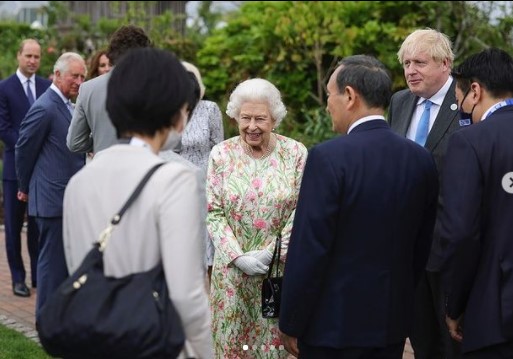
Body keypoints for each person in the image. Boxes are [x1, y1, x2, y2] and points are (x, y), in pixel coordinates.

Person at [278, 55, 438, 359]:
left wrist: (292, 320)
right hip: (390, 323)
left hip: (332, 327)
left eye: (329, 95)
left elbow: (310, 248)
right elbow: (421, 246)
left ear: (349, 96)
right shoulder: (420, 159)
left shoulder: (328, 158)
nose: (327, 105)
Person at [62, 47, 213, 358]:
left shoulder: (81, 180)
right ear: (176, 113)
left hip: (95, 336)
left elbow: (76, 266)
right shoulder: (180, 177)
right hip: (155, 340)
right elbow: (186, 293)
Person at [206, 78, 307, 358]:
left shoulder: (296, 153)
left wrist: (271, 253)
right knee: (234, 349)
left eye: (260, 118)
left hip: (276, 273)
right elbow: (213, 212)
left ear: (275, 119)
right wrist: (239, 257)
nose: (252, 126)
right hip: (232, 277)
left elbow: (302, 210)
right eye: (245, 117)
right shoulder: (221, 154)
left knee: (271, 349)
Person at [439, 48, 513, 358]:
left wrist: (455, 304)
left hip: (499, 315)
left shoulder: (470, 142)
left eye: (459, 99)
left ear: (474, 91)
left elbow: (461, 234)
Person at [387, 28, 463, 359]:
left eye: (419, 62)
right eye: (406, 63)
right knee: (420, 337)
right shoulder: (400, 101)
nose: (410, 71)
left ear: (445, 64)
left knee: (452, 340)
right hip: (406, 243)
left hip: (449, 241)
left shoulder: (464, 100)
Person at [15, 52, 86, 319]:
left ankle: (58, 318)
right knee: (49, 265)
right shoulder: (45, 107)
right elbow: (23, 149)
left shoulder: (66, 104)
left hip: (64, 200)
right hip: (51, 200)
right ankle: (44, 321)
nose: (79, 81)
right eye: (74, 76)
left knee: (61, 265)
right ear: (57, 75)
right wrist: (24, 185)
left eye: (82, 76)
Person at [160, 60, 224, 279]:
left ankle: (210, 288)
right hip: (175, 181)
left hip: (205, 181)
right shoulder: (167, 112)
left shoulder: (210, 109)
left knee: (206, 242)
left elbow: (219, 147)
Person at [0, 39, 51, 297]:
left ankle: (37, 276)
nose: (33, 60)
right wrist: (26, 149)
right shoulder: (4, 88)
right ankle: (17, 278)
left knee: (37, 226)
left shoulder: (46, 86)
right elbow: (3, 128)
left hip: (41, 170)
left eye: (37, 56)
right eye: (28, 55)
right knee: (13, 226)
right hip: (13, 171)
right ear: (19, 55)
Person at [66, 25, 152, 155]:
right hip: (144, 170)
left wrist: (100, 142)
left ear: (112, 53)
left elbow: (74, 142)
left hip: (103, 169)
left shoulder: (88, 89)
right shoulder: (156, 87)